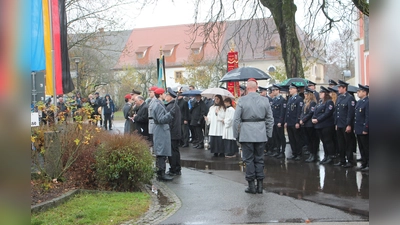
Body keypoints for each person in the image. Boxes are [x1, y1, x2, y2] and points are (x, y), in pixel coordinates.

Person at [233, 78, 274, 194]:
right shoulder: (265, 100)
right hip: (261, 133)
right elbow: (270, 119)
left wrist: (236, 135)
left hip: (246, 133)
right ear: (256, 88)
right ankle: (260, 185)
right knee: (259, 159)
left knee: (249, 159)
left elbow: (236, 120)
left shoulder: (242, 100)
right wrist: (268, 134)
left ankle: (251, 185)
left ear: (247, 88)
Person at [151, 88, 175, 181]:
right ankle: (161, 173)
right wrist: (170, 114)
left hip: (160, 130)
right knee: (162, 152)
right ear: (161, 95)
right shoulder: (158, 105)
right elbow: (161, 119)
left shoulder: (157, 104)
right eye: (164, 94)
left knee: (161, 151)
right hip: (161, 130)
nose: (165, 95)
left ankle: (160, 172)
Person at [334, 80, 356, 168]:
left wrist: (349, 124)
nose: (338, 89)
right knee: (341, 143)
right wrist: (336, 123)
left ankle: (350, 160)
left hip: (346, 124)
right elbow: (337, 112)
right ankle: (342, 159)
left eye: (340, 87)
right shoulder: (339, 98)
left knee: (348, 143)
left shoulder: (349, 98)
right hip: (339, 124)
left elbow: (350, 112)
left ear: (344, 88)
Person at [312, 86, 336, 164]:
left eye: (321, 93)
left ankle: (331, 156)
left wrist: (318, 119)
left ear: (325, 94)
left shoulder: (329, 102)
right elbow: (315, 112)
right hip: (319, 125)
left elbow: (327, 113)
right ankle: (326, 156)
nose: (320, 94)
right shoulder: (320, 102)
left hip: (326, 125)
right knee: (324, 141)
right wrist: (313, 118)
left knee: (328, 141)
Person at [165, 88, 182, 176]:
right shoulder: (174, 106)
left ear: (170, 97)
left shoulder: (170, 107)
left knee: (172, 152)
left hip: (172, 133)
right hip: (176, 132)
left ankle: (174, 169)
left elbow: (169, 120)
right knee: (175, 151)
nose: (165, 96)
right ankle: (177, 168)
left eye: (167, 95)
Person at [284, 83, 304, 161]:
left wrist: (297, 122)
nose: (290, 90)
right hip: (289, 122)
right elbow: (287, 111)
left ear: (295, 89)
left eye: (291, 89)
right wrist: (286, 121)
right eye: (289, 89)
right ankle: (294, 153)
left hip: (295, 122)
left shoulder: (299, 99)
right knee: (291, 139)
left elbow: (299, 111)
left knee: (297, 139)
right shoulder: (290, 99)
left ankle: (299, 154)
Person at [300, 87, 318, 162]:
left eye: (306, 94)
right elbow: (302, 113)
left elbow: (311, 113)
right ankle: (311, 153)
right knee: (308, 140)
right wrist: (301, 119)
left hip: (310, 124)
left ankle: (313, 154)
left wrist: (303, 119)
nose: (305, 95)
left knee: (312, 140)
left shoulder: (312, 103)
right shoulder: (305, 103)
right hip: (305, 124)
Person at [354, 84, 369, 172]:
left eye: (359, 91)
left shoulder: (368, 102)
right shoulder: (359, 102)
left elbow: (368, 117)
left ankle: (368, 164)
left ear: (364, 92)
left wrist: (365, 128)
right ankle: (364, 163)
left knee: (367, 147)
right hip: (358, 128)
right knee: (361, 147)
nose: (358, 93)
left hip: (364, 129)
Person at [269, 84, 287, 159]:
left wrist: (280, 121)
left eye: (274, 90)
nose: (273, 92)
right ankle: (278, 151)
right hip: (274, 121)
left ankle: (282, 152)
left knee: (281, 136)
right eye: (272, 90)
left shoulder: (282, 100)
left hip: (279, 121)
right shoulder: (274, 99)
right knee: (276, 137)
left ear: (278, 91)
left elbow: (282, 112)